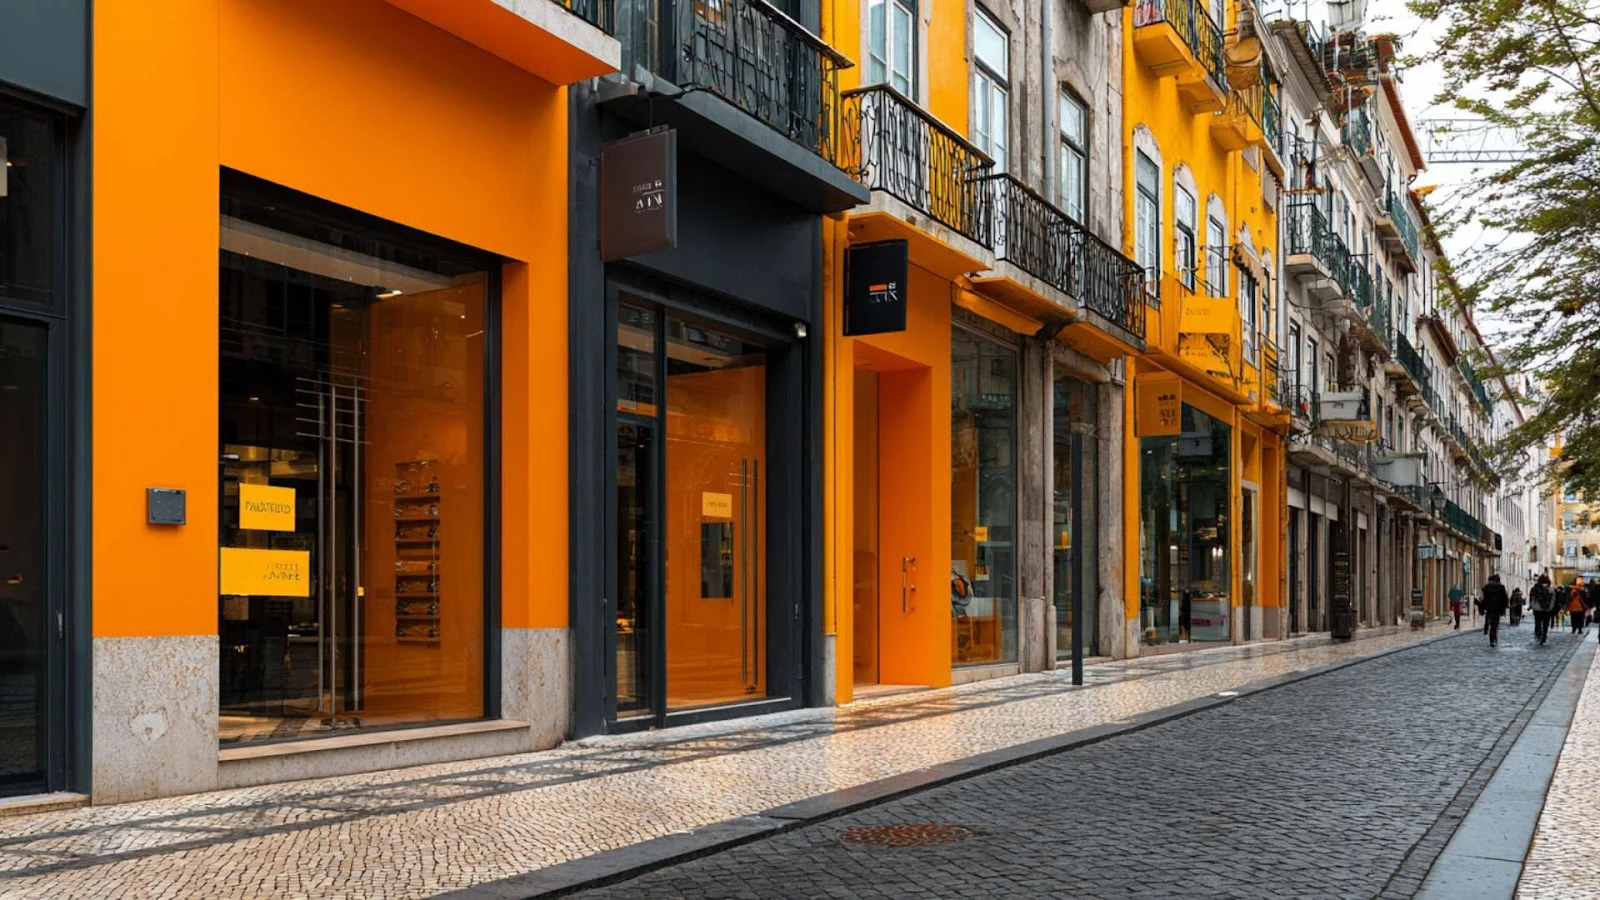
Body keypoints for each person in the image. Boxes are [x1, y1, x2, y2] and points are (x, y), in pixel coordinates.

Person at [1481, 574, 1509, 648]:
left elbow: (1484, 599)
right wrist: (1504, 609)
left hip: (1489, 608)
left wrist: (1482, 608)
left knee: (1491, 624)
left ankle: (1492, 639)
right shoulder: (1501, 587)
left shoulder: (1487, 587)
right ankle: (1493, 640)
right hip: (1497, 608)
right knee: (1494, 625)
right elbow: (1505, 599)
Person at [1530, 575, 1555, 644]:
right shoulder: (1550, 589)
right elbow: (1553, 600)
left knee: (1537, 622)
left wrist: (1531, 606)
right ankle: (1544, 636)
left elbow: (1531, 598)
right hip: (1547, 609)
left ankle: (1538, 634)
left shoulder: (1535, 588)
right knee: (1546, 623)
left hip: (1537, 608)